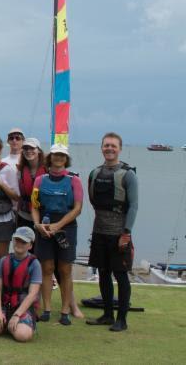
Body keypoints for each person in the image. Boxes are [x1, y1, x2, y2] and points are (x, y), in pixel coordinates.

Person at [85, 132, 138, 332]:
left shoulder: (128, 174)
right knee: (103, 273)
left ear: (120, 149)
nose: (109, 149)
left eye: (113, 146)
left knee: (121, 275)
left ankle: (121, 319)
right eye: (106, 145)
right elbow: (93, 201)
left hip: (119, 234)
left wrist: (126, 233)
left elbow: (134, 206)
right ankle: (107, 315)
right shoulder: (95, 173)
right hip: (99, 231)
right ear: (101, 148)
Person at [31, 143, 83, 325]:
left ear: (66, 158)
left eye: (62, 155)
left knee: (65, 269)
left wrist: (58, 225)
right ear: (50, 157)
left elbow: (77, 209)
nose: (59, 158)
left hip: (66, 226)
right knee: (47, 268)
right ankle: (46, 309)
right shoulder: (40, 180)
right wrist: (38, 225)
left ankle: (65, 311)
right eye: (55, 155)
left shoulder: (74, 180)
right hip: (45, 225)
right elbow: (34, 206)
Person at [0, 226, 41, 342]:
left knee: (23, 336)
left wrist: (17, 315)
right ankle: (5, 322)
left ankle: (16, 323)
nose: (19, 244)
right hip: (5, 304)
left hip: (22, 307)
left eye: (23, 242)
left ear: (30, 245)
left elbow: (32, 294)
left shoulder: (35, 264)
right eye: (17, 240)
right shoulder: (4, 261)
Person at [16, 138, 45, 231]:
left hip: (43, 217)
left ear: (39, 151)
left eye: (32, 148)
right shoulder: (20, 171)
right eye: (26, 148)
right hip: (24, 216)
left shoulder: (48, 170)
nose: (28, 151)